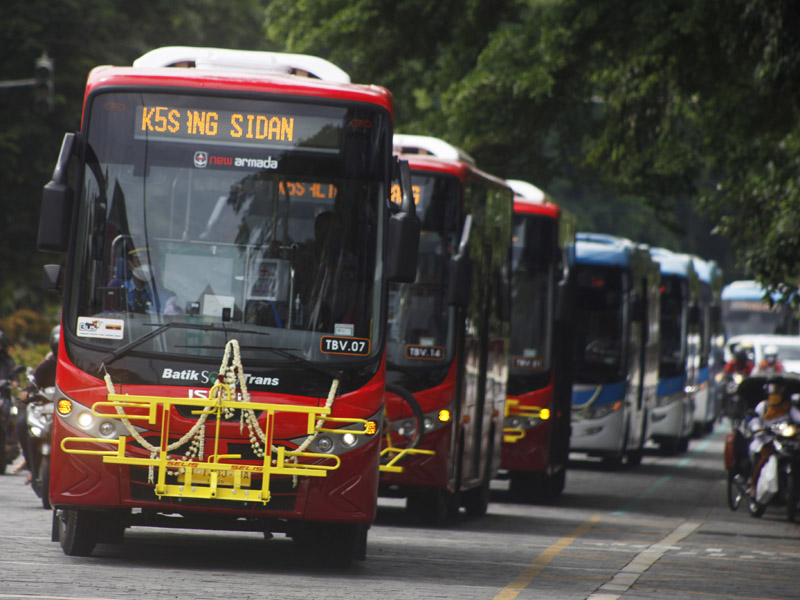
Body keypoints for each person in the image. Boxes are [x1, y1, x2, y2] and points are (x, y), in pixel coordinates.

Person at [15, 326, 58, 481]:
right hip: (44, 409)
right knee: (21, 423)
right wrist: (27, 392)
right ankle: (31, 466)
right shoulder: (46, 364)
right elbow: (32, 383)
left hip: (66, 410)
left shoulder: (77, 363)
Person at [747, 377, 800, 496]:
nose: (775, 391)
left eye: (778, 388)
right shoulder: (763, 406)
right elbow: (755, 420)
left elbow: (798, 417)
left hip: (784, 440)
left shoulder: (788, 407)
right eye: (773, 388)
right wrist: (758, 428)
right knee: (765, 457)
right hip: (765, 439)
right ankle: (752, 485)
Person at [121, 248, 181, 315]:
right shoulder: (119, 291)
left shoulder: (167, 299)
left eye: (149, 262)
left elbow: (172, 321)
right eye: (140, 261)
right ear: (129, 264)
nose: (146, 266)